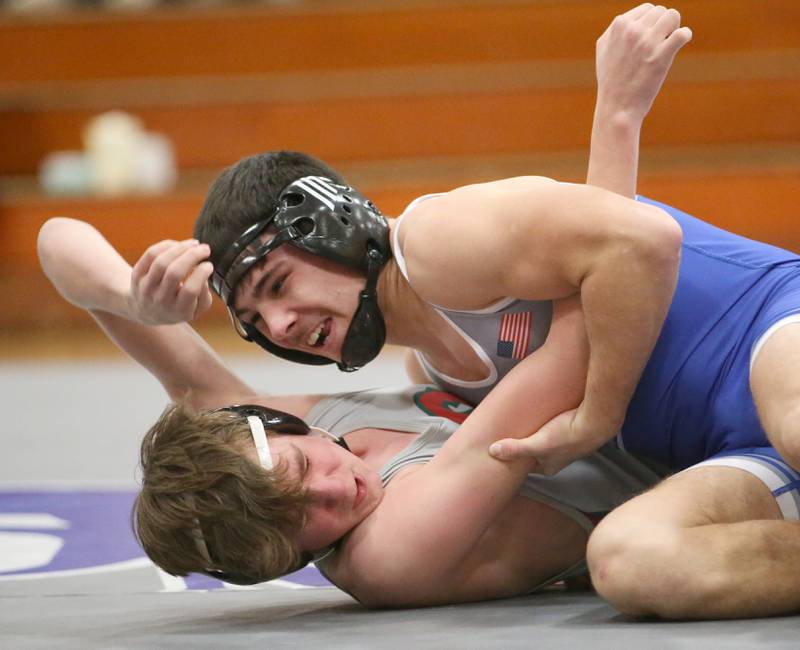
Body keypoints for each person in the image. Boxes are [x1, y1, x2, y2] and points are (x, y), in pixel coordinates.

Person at [37, 216, 662, 607]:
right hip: (678, 455)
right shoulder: (393, 554)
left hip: (639, 401)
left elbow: (57, 240)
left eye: (303, 470)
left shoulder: (256, 431)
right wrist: (600, 230)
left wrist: (134, 300)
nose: (337, 489)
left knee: (434, 355)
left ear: (274, 425)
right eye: (310, 524)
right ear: (287, 560)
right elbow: (574, 344)